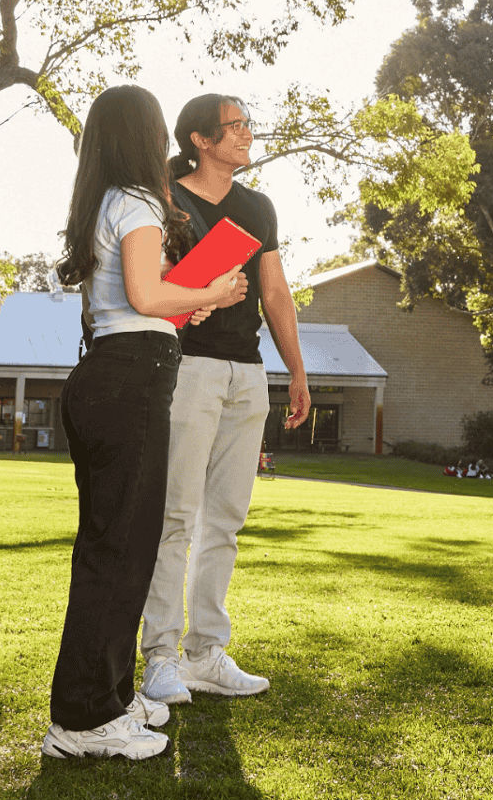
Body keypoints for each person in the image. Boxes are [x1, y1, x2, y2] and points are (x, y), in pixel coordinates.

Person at [43, 85, 249, 759]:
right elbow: (145, 294)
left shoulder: (109, 201)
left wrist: (189, 296)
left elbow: (145, 300)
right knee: (115, 554)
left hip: (121, 376)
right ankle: (80, 722)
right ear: (143, 133)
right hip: (127, 383)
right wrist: (210, 290)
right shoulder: (134, 202)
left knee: (124, 551)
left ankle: (109, 697)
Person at [141, 94, 308, 706]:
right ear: (200, 140)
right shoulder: (164, 200)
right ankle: (160, 657)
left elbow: (276, 292)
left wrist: (296, 370)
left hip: (247, 375)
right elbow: (145, 285)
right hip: (186, 369)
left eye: (246, 125)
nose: (246, 135)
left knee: (226, 522)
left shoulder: (258, 206)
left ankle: (205, 653)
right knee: (175, 518)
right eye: (234, 127)